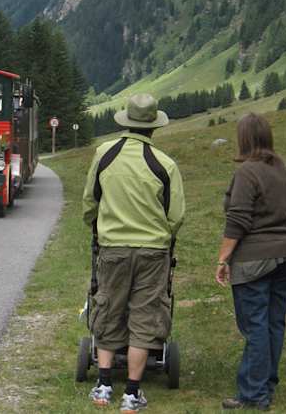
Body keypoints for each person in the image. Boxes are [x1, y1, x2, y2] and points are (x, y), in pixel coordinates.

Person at [82, 93, 185, 413]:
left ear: (126, 121)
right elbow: (176, 215)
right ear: (154, 126)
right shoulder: (165, 164)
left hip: (112, 247)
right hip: (153, 251)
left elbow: (90, 203)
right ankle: (132, 393)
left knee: (108, 307)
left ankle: (103, 386)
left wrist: (99, 226)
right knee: (144, 314)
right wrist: (162, 235)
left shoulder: (104, 154)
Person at [215, 113, 286, 410]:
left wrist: (223, 258)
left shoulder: (247, 172)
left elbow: (238, 218)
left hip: (253, 260)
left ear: (244, 139)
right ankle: (266, 385)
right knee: (273, 324)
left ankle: (254, 394)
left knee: (255, 326)